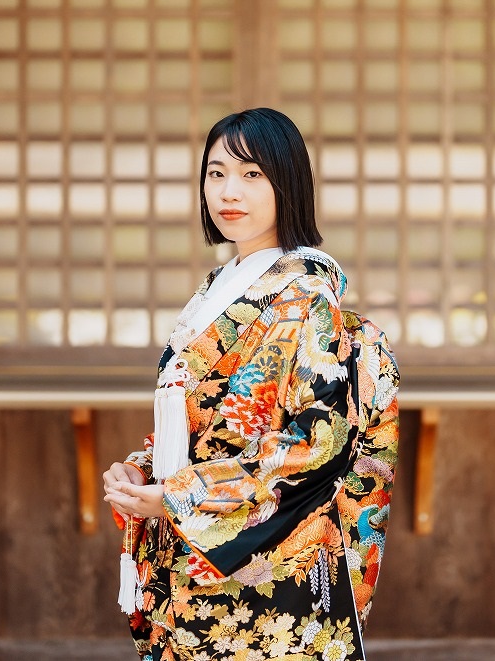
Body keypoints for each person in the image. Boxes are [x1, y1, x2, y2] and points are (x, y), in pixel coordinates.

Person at [102, 108, 398, 661]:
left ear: (288, 182)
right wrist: (145, 470)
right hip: (193, 558)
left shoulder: (306, 297)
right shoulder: (221, 286)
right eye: (216, 173)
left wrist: (180, 496)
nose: (228, 191)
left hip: (264, 573)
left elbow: (316, 446)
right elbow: (205, 418)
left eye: (252, 174)